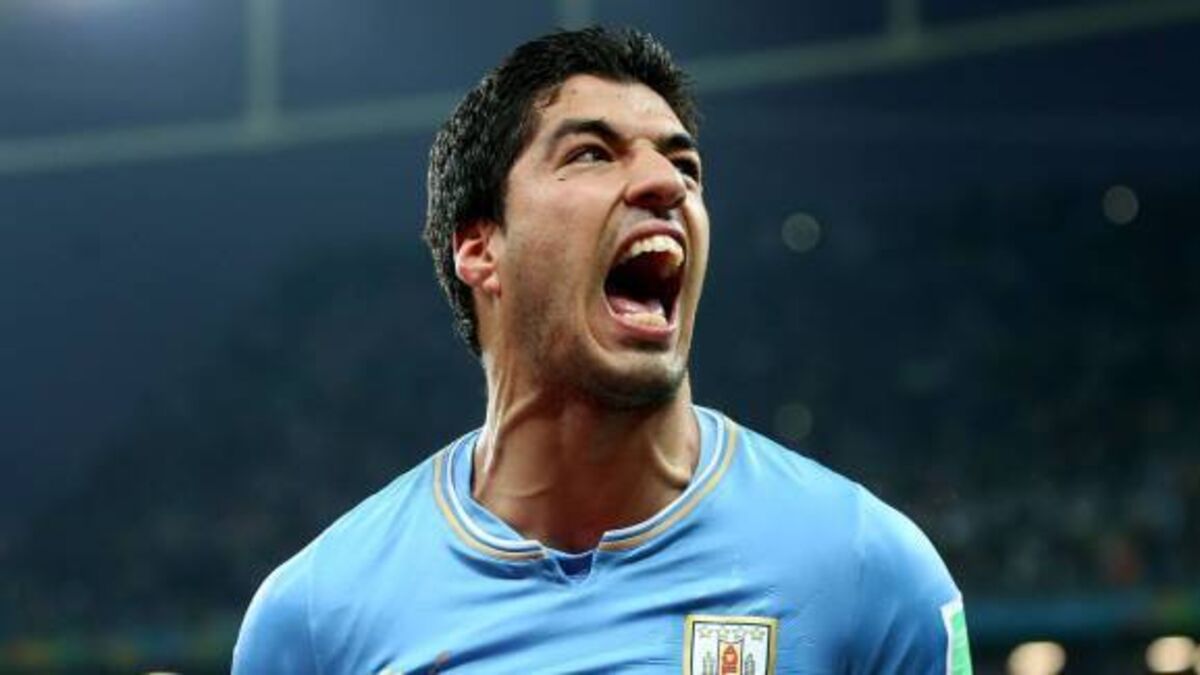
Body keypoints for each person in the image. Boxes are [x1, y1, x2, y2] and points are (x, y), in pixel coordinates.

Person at [233, 26, 972, 674]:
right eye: (592, 154)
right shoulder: (315, 618)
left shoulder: (868, 571)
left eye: (685, 166)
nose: (664, 183)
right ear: (479, 248)